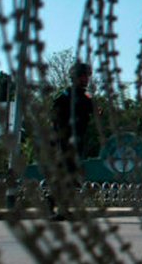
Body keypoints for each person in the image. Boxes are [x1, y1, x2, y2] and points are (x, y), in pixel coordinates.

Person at [48, 61, 95, 219]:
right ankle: (57, 207)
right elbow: (54, 118)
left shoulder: (86, 97)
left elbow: (95, 113)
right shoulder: (65, 96)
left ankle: (57, 206)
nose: (86, 80)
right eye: (82, 77)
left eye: (87, 77)